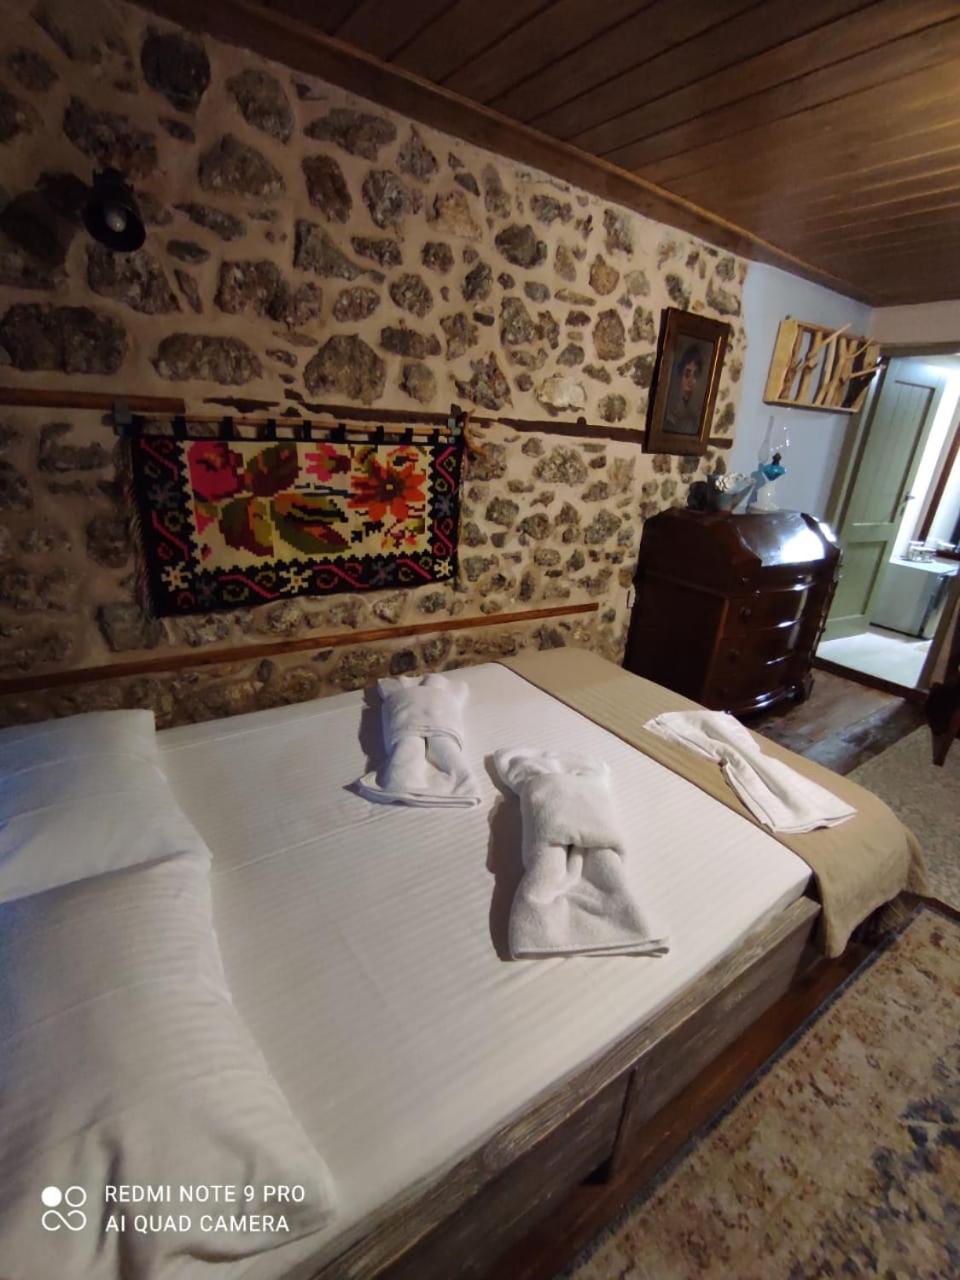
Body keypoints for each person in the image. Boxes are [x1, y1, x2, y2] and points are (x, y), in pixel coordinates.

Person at [664, 342, 705, 435]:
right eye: (687, 374)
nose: (691, 381)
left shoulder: (696, 414)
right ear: (680, 375)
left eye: (695, 375)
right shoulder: (669, 408)